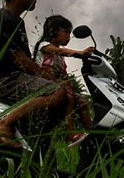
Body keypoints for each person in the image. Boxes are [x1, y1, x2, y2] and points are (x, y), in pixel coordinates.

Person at [0, 0, 68, 148]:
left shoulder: (14, 20)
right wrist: (50, 78)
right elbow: (20, 59)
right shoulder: (6, 20)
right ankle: (4, 124)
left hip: (15, 78)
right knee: (58, 92)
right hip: (7, 80)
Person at [33, 15, 94, 144]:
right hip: (42, 83)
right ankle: (70, 134)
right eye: (66, 32)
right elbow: (58, 51)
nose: (68, 36)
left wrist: (69, 85)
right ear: (56, 30)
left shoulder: (60, 55)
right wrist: (79, 53)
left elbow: (64, 73)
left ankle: (92, 133)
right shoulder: (44, 45)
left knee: (82, 101)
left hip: (57, 85)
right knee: (70, 97)